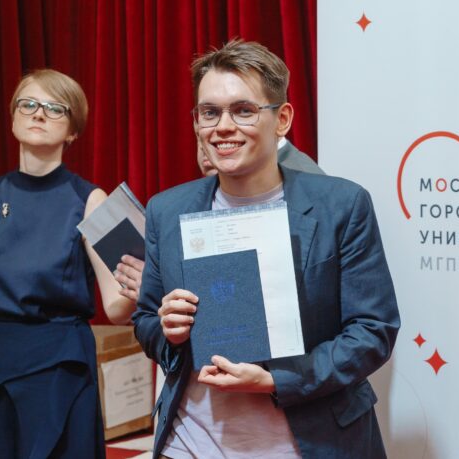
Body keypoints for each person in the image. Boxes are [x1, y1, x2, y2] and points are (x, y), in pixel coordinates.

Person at [132, 39, 400, 458]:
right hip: (191, 443)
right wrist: (169, 328)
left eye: (243, 110)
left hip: (307, 445)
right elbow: (146, 320)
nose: (222, 127)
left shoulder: (341, 205)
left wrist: (277, 380)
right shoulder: (167, 210)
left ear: (282, 119)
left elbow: (372, 331)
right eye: (209, 112)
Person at [0, 69, 136, 458]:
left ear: (73, 130)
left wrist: (142, 276)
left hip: (58, 365)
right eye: (27, 104)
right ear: (13, 117)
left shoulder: (95, 200)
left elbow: (117, 308)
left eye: (54, 108)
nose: (38, 113)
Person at [114, 128, 323, 301]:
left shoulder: (301, 186)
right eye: (201, 133)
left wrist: (163, 290)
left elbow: (280, 291)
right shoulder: (182, 202)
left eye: (241, 112)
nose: (216, 136)